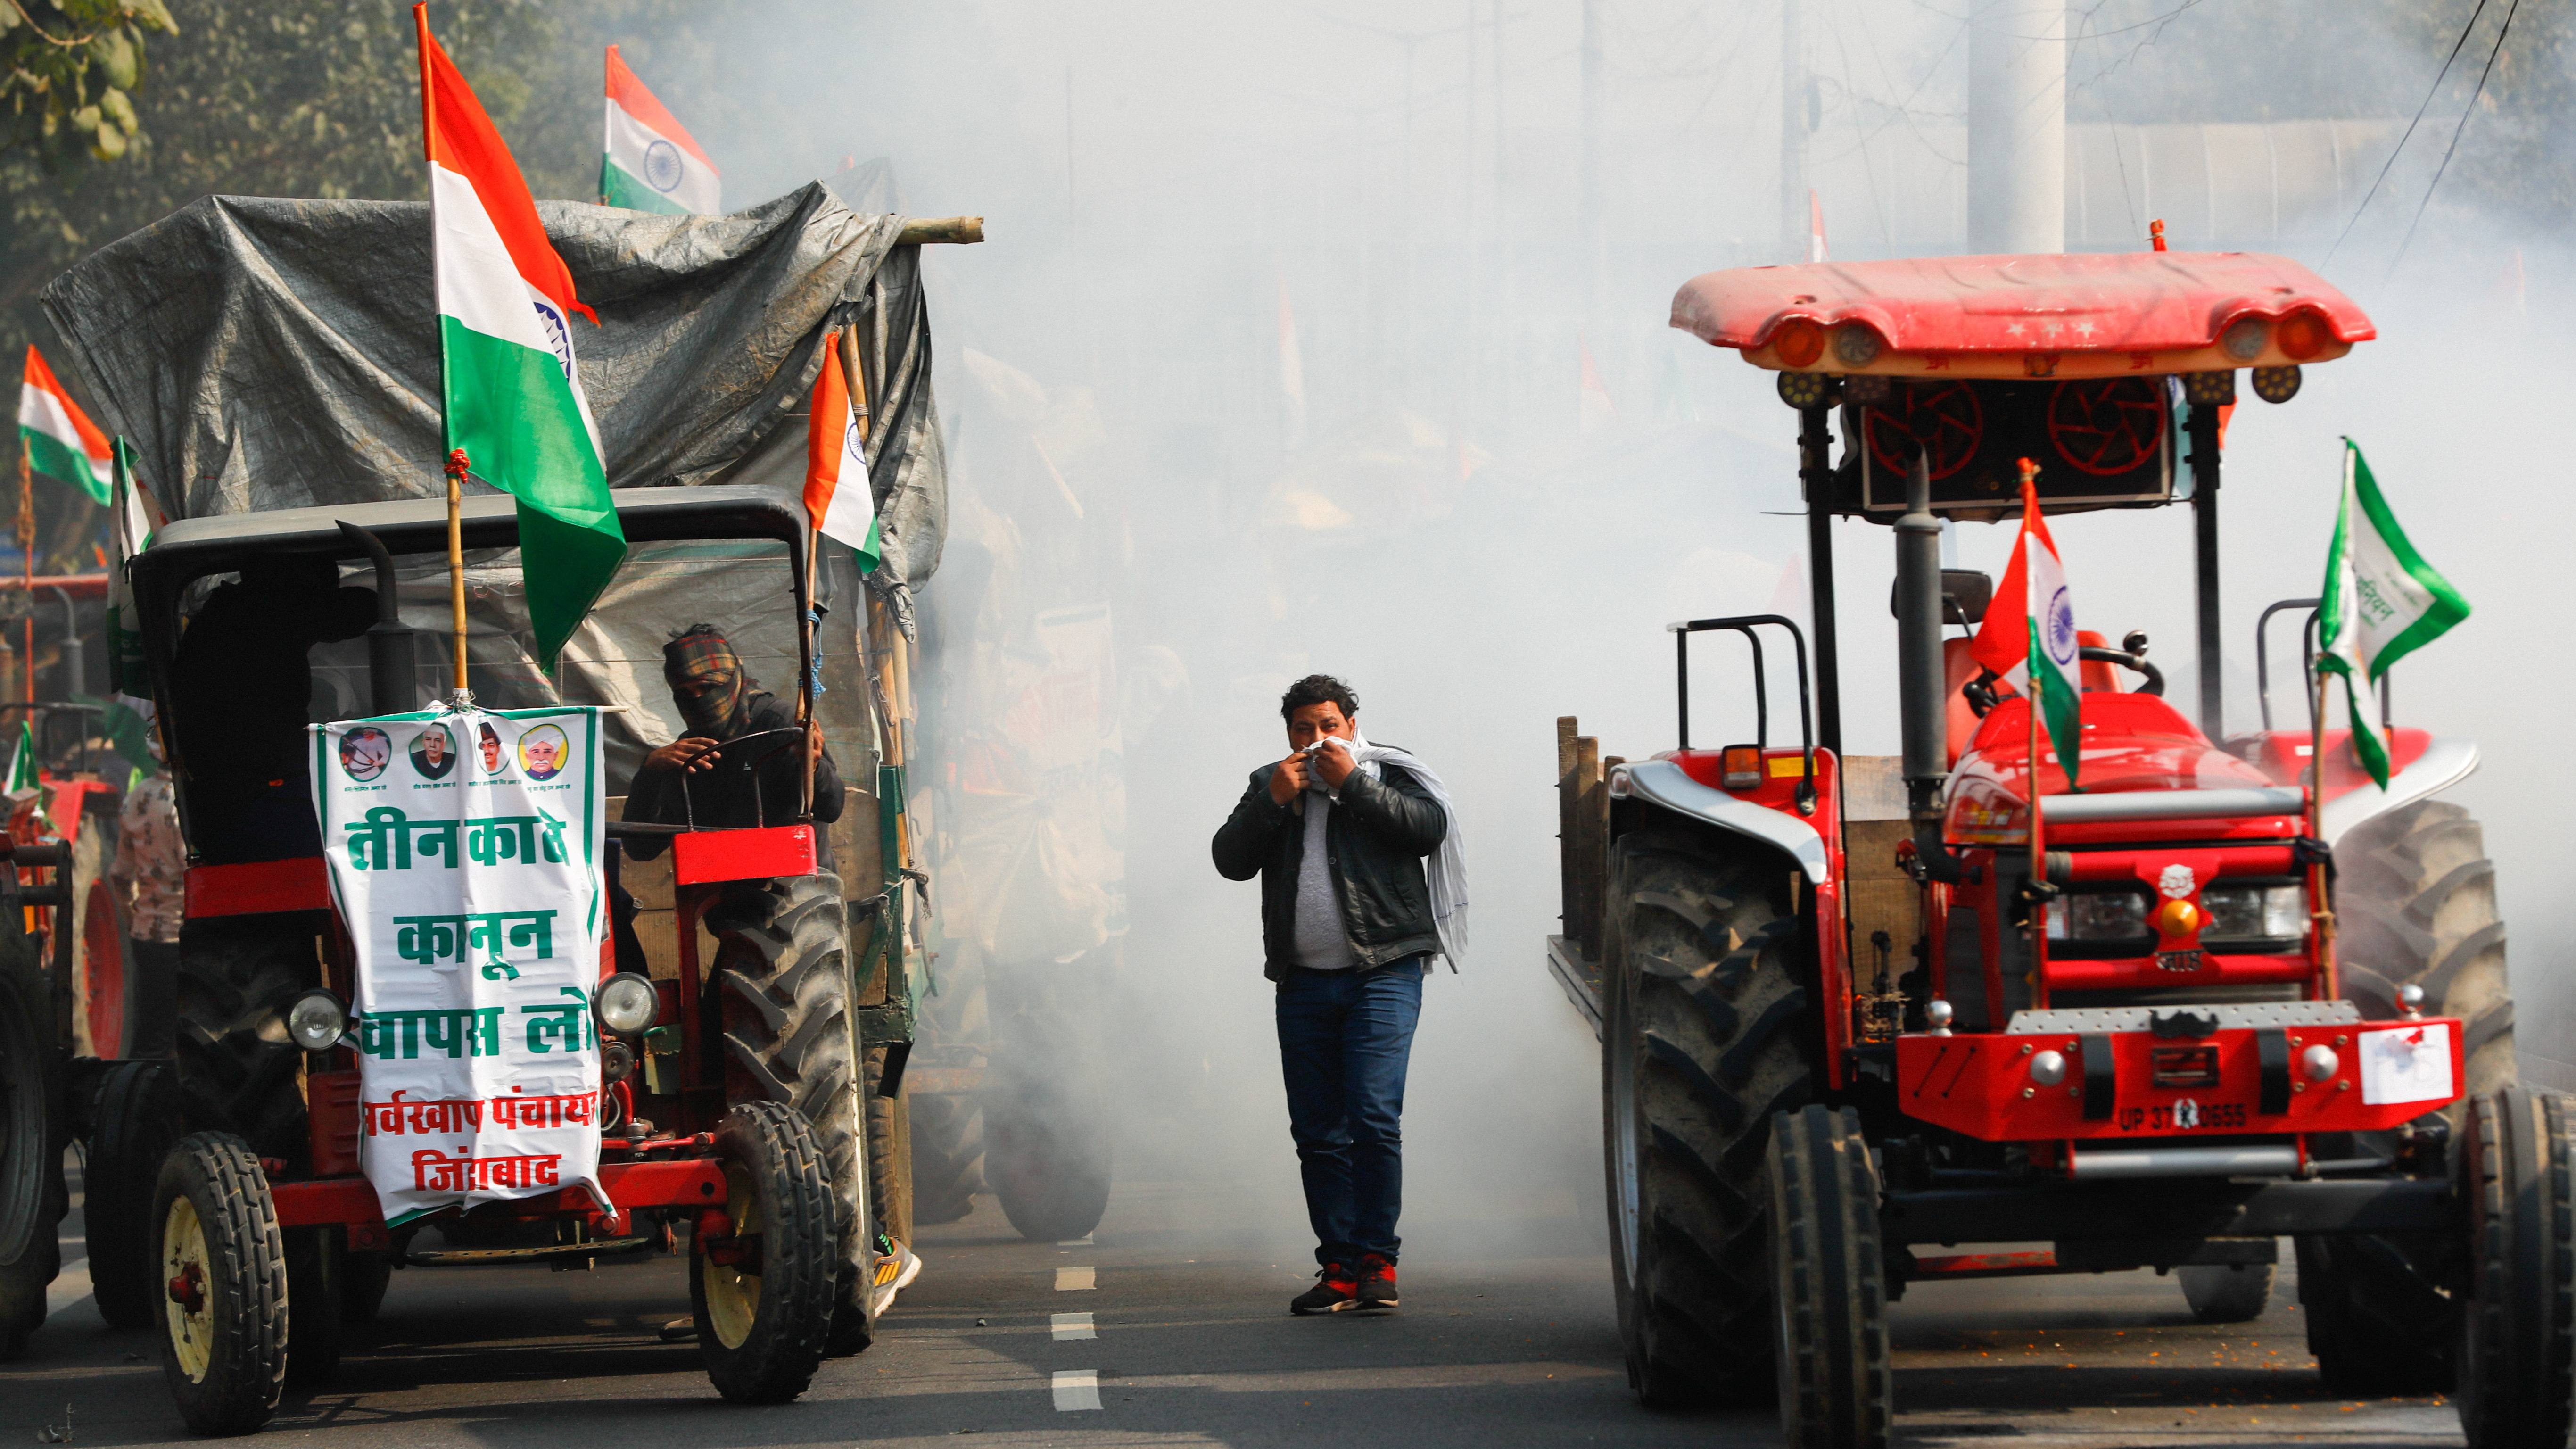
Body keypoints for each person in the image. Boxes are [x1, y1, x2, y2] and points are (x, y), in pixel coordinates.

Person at [1211, 674, 1452, 1316]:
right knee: (1318, 1129)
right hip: (1304, 982)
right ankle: (1339, 1268)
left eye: (1328, 726)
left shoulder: (1388, 773)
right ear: (1287, 733)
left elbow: (1428, 828)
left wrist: (1354, 786)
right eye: (1302, 729)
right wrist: (1273, 802)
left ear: (1350, 724)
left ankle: (1379, 1259)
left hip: (1384, 969)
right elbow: (1229, 859)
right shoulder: (1273, 782)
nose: (1316, 740)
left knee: (1372, 1113)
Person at [168, 555, 375, 862]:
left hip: (231, 802)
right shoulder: (258, 621)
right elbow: (363, 608)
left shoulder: (225, 618)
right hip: (256, 806)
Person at [619, 624, 841, 859]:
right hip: (720, 889)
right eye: (684, 693)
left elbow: (830, 808)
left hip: (794, 886)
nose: (698, 700)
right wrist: (650, 771)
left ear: (733, 679)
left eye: (708, 687)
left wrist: (814, 768)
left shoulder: (778, 723)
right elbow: (641, 849)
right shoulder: (690, 752)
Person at [108, 713, 183, 1057]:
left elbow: (120, 876)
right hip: (181, 934)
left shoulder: (136, 796)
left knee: (151, 1027)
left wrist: (132, 919)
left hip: (145, 936)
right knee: (178, 1033)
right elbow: (190, 868)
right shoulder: (184, 804)